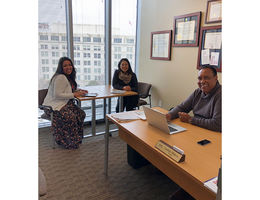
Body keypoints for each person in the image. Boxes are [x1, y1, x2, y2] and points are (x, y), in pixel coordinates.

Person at [43, 57, 88, 149]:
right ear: (61, 67)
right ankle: (66, 141)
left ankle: (76, 139)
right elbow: (57, 95)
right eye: (65, 65)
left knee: (80, 114)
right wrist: (74, 94)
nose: (68, 67)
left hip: (64, 103)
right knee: (70, 116)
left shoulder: (68, 77)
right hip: (53, 106)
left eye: (70, 65)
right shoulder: (60, 77)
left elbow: (67, 89)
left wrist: (78, 90)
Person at [166, 65, 222, 132]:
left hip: (213, 134)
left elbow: (217, 124)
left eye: (206, 78)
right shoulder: (198, 92)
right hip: (197, 128)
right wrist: (169, 115)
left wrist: (191, 119)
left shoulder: (220, 94)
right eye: (199, 78)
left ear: (216, 78)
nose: (202, 81)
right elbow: (182, 107)